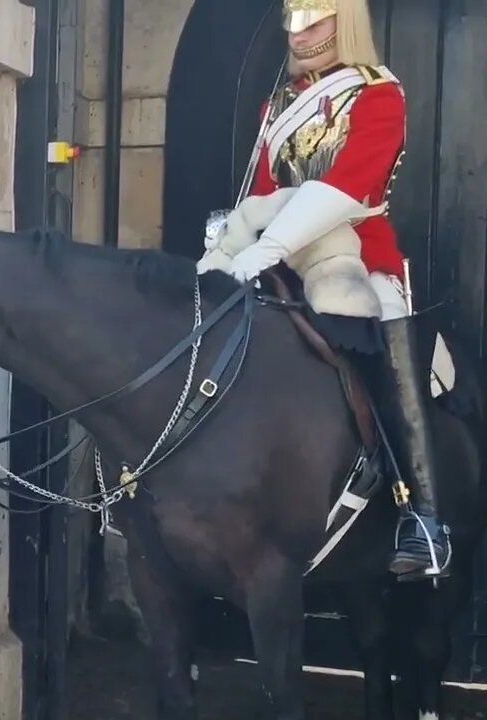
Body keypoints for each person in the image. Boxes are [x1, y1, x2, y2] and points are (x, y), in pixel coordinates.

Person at [206, 0, 450, 581]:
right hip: (282, 256)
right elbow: (264, 189)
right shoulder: (278, 107)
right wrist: (241, 242)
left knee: (382, 323)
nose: (299, 33)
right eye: (292, 21)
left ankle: (423, 515)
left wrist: (273, 241)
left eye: (313, 20)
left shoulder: (377, 93)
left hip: (359, 251)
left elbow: (352, 184)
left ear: (345, 24)